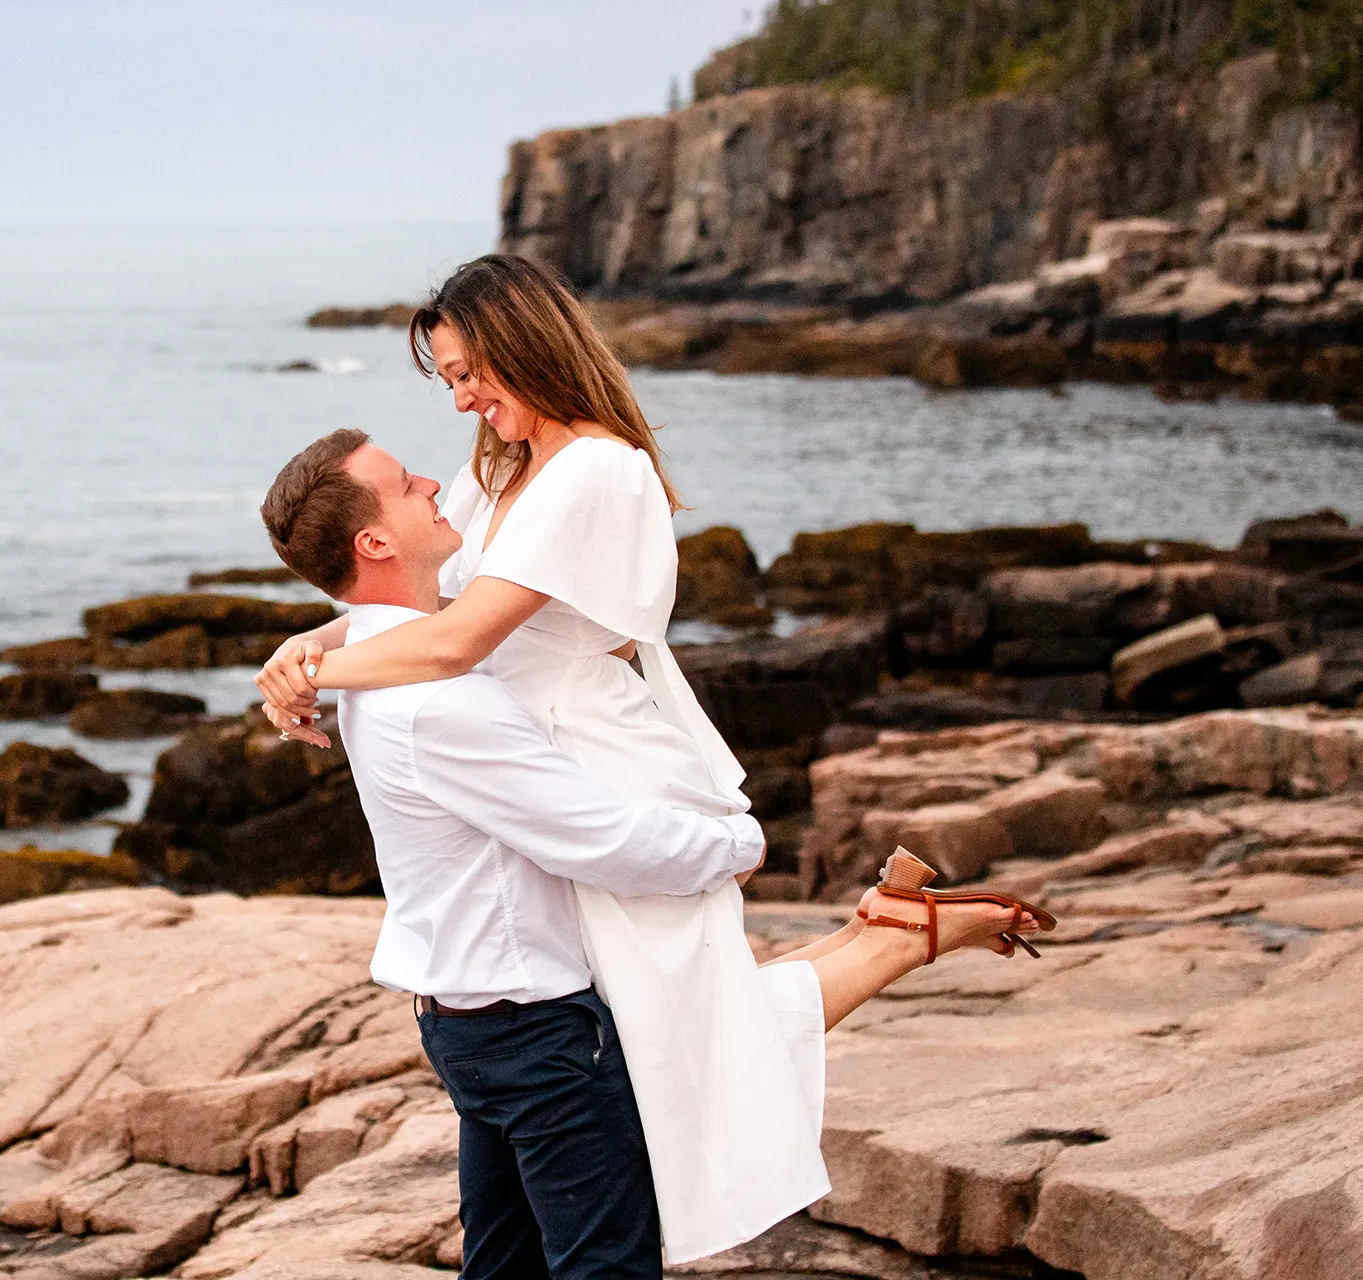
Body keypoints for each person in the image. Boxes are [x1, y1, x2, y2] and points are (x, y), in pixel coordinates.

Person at [258, 428, 1045, 1278]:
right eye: (403, 484)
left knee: (507, 1264)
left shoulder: (376, 672)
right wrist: (737, 843)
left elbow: (450, 623)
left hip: (468, 1022)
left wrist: (313, 644)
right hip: (537, 1038)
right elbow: (602, 839)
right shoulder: (435, 700)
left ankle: (898, 931)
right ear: (374, 542)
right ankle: (900, 934)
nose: (429, 480)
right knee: (607, 1267)